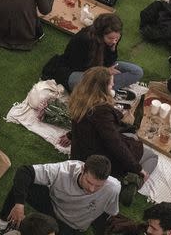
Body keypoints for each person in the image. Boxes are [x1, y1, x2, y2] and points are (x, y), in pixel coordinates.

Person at [68, 67, 158, 205]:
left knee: (131, 136)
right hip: (100, 162)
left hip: (81, 153)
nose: (113, 85)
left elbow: (82, 125)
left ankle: (130, 176)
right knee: (151, 155)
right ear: (102, 88)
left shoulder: (79, 100)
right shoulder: (101, 110)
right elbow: (115, 144)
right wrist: (138, 169)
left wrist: (70, 135)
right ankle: (133, 183)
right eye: (111, 84)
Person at [0, 155, 120, 235]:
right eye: (89, 182)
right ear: (82, 170)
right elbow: (24, 171)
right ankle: (3, 224)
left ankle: (18, 231)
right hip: (53, 206)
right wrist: (19, 204)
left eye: (98, 186)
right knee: (23, 184)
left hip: (71, 226)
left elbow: (107, 215)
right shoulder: (63, 170)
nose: (92, 189)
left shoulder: (113, 188)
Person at [44, 13, 144, 91]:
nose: (114, 41)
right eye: (110, 38)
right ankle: (102, 89)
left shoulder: (114, 39)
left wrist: (112, 48)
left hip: (102, 68)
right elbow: (78, 67)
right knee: (88, 82)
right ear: (101, 34)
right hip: (75, 72)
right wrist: (104, 72)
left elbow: (110, 61)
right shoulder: (83, 40)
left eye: (117, 38)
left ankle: (102, 88)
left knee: (137, 72)